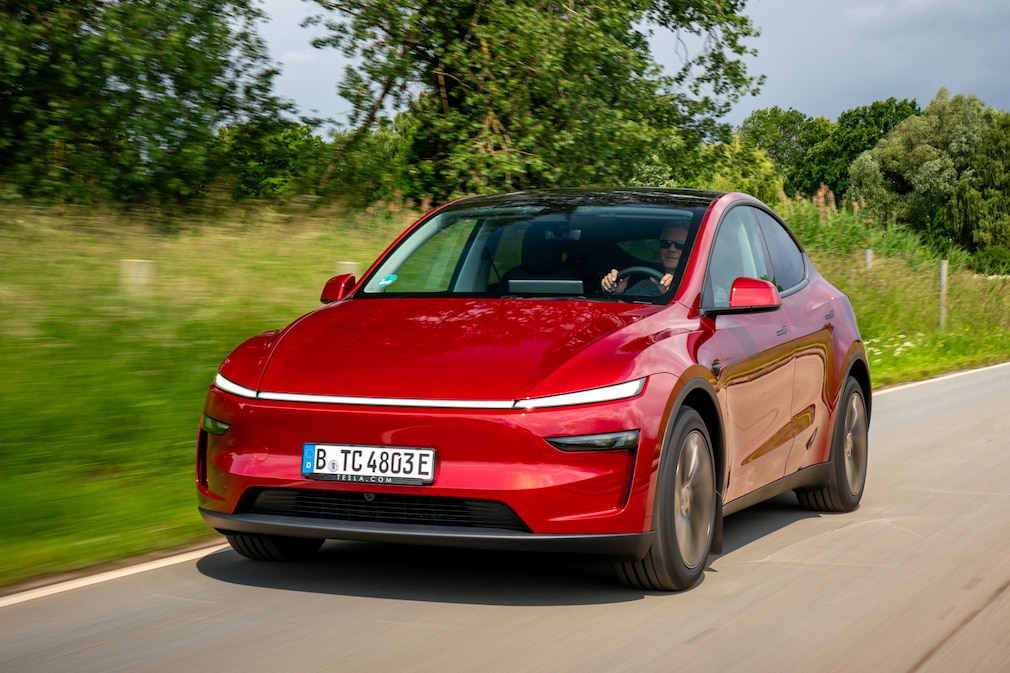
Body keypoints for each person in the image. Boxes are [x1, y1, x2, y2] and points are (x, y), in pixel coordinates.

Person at [600, 223, 689, 296]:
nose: (671, 249)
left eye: (680, 245)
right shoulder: (644, 287)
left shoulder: (698, 291)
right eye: (666, 243)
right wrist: (614, 292)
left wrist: (675, 294)